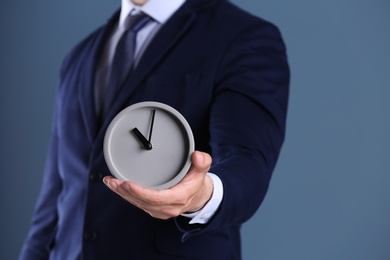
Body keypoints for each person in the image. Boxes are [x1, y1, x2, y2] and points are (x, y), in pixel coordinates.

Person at [20, 0, 289, 259]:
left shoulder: (241, 35)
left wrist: (201, 196)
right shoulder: (78, 57)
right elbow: (56, 193)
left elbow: (248, 160)